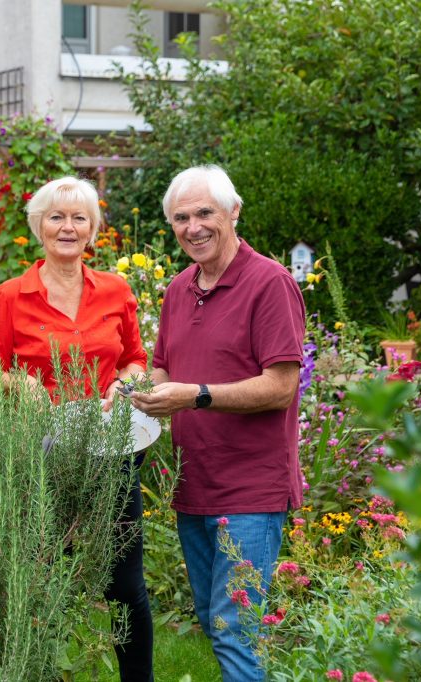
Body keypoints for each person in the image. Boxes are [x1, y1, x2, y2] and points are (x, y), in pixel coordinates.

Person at [130, 165, 305, 682]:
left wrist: (197, 396)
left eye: (205, 213)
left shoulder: (269, 282)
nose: (193, 227)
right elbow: (164, 366)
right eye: (180, 218)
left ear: (233, 211)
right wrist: (144, 391)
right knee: (216, 622)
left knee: (236, 632)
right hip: (195, 485)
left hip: (250, 488)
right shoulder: (179, 288)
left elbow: (281, 386)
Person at [0, 176, 153, 682]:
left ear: (92, 229)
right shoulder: (10, 296)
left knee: (125, 586)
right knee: (39, 580)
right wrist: (18, 384)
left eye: (80, 218)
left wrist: (124, 384)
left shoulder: (116, 290)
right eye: (57, 217)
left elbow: (136, 359)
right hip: (42, 456)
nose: (68, 227)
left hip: (110, 452)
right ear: (39, 226)